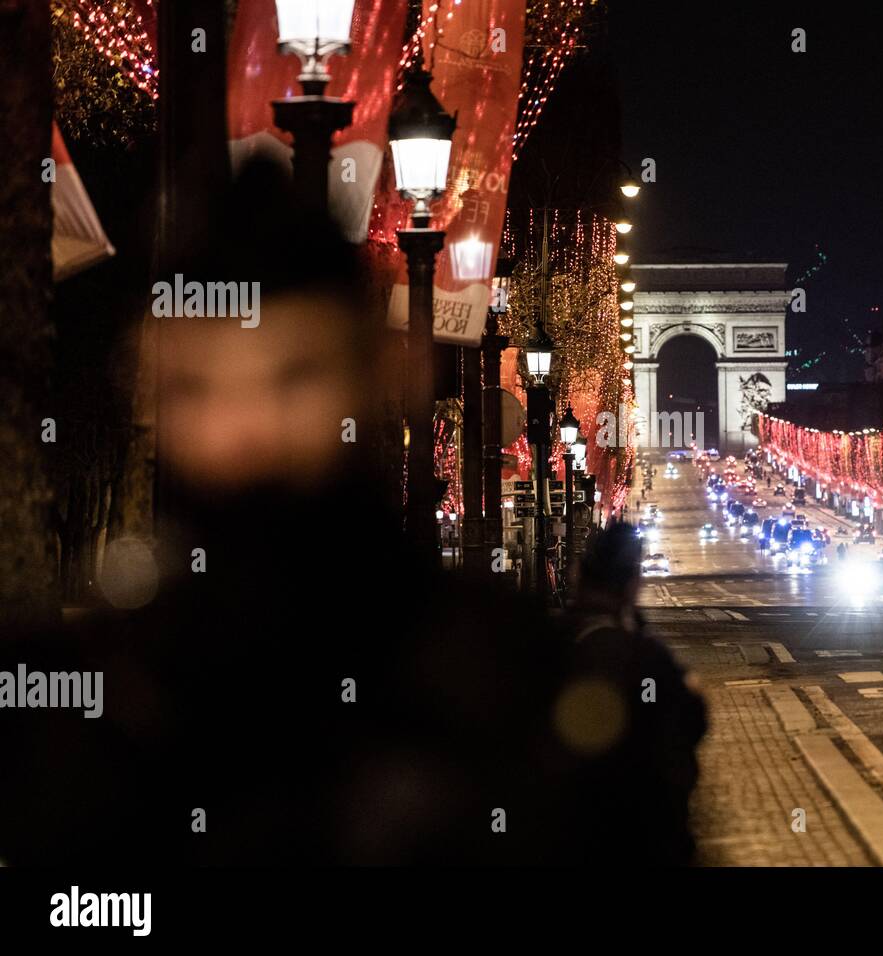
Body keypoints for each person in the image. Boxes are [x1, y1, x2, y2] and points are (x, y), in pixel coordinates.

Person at [0, 160, 602, 866]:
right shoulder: (512, 687)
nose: (243, 429)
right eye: (196, 387)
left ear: (381, 372)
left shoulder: (513, 698)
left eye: (295, 378)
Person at [562, 523, 708, 865]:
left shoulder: (543, 645)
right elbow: (689, 725)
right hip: (639, 831)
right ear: (631, 584)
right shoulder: (643, 657)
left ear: (578, 577)